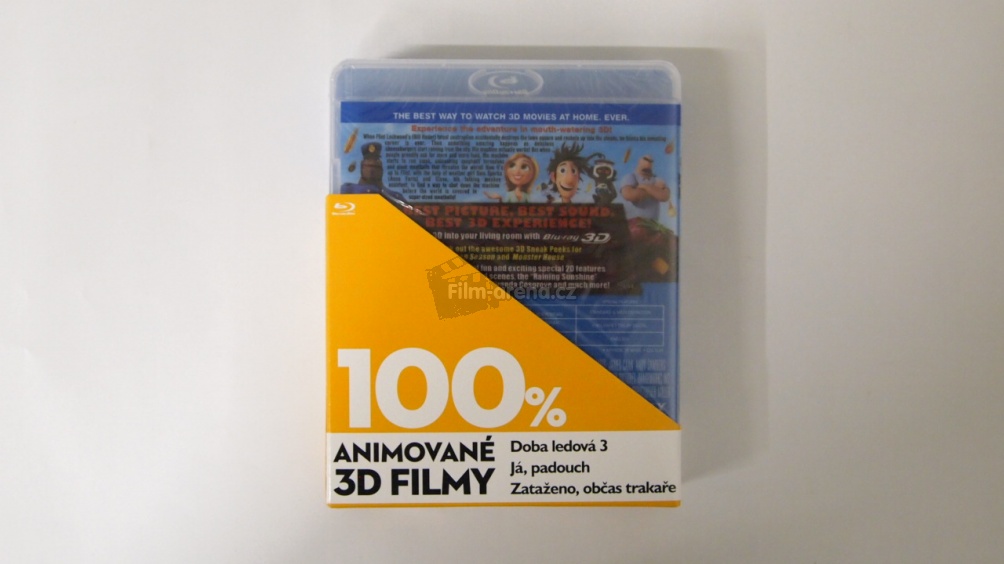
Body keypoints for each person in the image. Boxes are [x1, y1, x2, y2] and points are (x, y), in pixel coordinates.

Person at [340, 142, 407, 204]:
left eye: (376, 162)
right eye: (368, 163)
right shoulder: (348, 190)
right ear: (362, 167)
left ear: (381, 168)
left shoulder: (395, 196)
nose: (372, 168)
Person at [619, 155, 673, 220]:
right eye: (646, 159)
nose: (648, 163)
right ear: (639, 161)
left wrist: (644, 186)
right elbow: (629, 195)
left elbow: (665, 196)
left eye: (651, 161)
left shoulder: (657, 179)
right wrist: (655, 190)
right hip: (633, 222)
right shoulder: (630, 177)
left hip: (653, 223)